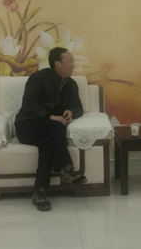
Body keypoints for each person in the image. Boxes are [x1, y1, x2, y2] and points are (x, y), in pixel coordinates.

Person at [15, 47, 87, 211]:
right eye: (70, 61)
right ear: (57, 64)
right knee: (57, 125)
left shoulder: (71, 84)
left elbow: (78, 107)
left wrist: (72, 112)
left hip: (49, 130)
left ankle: (39, 192)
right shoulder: (38, 78)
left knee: (47, 144)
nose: (73, 64)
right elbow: (29, 104)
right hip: (27, 126)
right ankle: (66, 170)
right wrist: (49, 116)